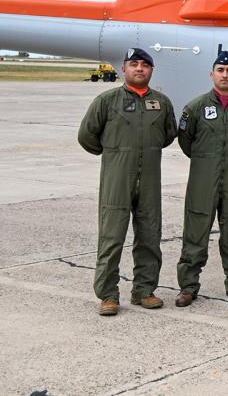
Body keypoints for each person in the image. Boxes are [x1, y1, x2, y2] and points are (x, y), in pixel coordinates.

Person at [77, 47, 176, 316]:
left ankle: (144, 290)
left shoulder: (162, 103)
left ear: (151, 70)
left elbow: (167, 135)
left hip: (150, 181)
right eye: (134, 64)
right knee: (112, 237)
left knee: (149, 236)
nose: (139, 69)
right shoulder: (106, 101)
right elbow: (87, 136)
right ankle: (108, 294)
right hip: (117, 180)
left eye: (144, 65)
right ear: (124, 69)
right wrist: (114, 154)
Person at [173, 51, 228, 307]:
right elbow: (185, 140)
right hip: (203, 176)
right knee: (196, 229)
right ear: (212, 74)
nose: (225, 75)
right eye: (220, 71)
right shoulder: (195, 107)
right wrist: (207, 160)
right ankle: (188, 286)